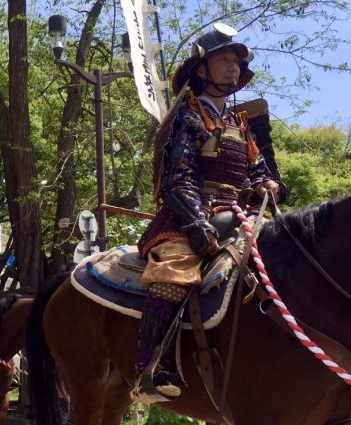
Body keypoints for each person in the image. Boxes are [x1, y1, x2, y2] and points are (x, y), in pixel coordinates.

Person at [134, 23, 286, 401]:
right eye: (224, 59)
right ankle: (152, 366)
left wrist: (270, 186)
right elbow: (176, 179)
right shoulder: (187, 117)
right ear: (202, 69)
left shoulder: (240, 125)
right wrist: (196, 222)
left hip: (242, 214)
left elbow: (260, 172)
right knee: (174, 270)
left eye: (236, 61)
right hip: (189, 214)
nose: (233, 67)